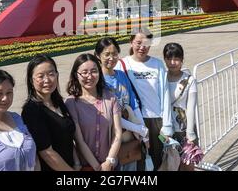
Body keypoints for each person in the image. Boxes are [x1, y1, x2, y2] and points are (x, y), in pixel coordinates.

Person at [116, 28, 172, 170]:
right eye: (138, 43)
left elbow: (165, 95)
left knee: (158, 159)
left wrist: (167, 124)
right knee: (136, 159)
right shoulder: (122, 65)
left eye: (146, 43)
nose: (142, 47)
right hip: (134, 122)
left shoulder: (157, 64)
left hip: (156, 122)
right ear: (131, 43)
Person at [94, 37, 149, 171]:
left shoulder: (121, 75)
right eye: (107, 54)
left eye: (114, 54)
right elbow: (111, 114)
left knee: (131, 165)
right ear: (97, 56)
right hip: (110, 137)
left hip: (129, 137)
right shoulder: (97, 81)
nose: (111, 58)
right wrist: (138, 129)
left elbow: (132, 103)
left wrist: (142, 128)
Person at [22, 54, 81, 171]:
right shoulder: (32, 110)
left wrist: (77, 162)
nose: (47, 80)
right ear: (31, 80)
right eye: (40, 76)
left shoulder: (58, 102)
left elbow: (69, 136)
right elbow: (46, 153)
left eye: (51, 74)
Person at [65, 53, 122, 171]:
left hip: (110, 166)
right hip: (87, 166)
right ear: (76, 75)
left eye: (94, 71)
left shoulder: (111, 98)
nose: (89, 76)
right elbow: (78, 140)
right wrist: (97, 167)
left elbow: (117, 133)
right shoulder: (71, 103)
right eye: (84, 72)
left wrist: (109, 161)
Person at [163, 43, 201, 171]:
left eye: (176, 59)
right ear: (165, 59)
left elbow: (190, 108)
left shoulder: (189, 80)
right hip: (164, 129)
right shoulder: (161, 78)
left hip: (184, 130)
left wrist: (190, 135)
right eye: (169, 59)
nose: (173, 62)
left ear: (182, 60)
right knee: (168, 164)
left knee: (187, 165)